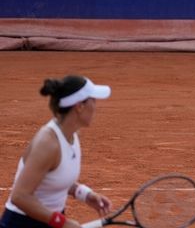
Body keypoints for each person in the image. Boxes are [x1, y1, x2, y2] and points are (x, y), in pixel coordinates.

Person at [1, 76, 113, 228]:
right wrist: (62, 222)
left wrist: (84, 194)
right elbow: (20, 196)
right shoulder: (48, 144)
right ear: (79, 106)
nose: (96, 106)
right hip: (23, 223)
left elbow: (54, 178)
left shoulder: (71, 133)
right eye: (93, 100)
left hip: (50, 220)